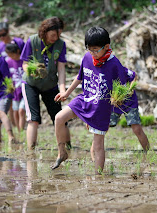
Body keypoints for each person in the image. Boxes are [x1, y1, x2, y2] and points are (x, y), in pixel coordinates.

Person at [52, 26, 138, 174]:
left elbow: (123, 89)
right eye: (89, 49)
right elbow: (80, 77)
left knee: (98, 145)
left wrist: (116, 99)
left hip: (101, 109)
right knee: (59, 118)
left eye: (95, 49)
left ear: (106, 47)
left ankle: (98, 175)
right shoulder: (87, 57)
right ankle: (62, 153)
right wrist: (66, 92)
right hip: (85, 99)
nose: (92, 53)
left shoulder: (114, 64)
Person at [20, 17, 70, 150]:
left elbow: (61, 69)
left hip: (50, 85)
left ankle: (68, 147)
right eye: (53, 34)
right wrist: (32, 71)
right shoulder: (32, 41)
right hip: (31, 84)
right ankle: (31, 151)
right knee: (33, 119)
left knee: (59, 117)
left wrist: (63, 89)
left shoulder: (61, 45)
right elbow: (24, 64)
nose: (56, 38)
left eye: (58, 34)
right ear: (45, 31)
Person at [0, 22, 24, 127]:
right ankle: (15, 126)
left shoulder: (18, 42)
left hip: (19, 76)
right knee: (10, 104)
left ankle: (21, 126)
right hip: (7, 79)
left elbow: (25, 58)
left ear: (8, 31)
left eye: (4, 34)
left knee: (20, 104)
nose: (2, 37)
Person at [5, 43, 26, 132]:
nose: (11, 57)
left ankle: (21, 130)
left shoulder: (24, 60)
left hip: (25, 89)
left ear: (17, 51)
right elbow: (7, 76)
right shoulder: (8, 62)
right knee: (15, 111)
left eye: (12, 55)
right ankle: (18, 130)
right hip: (15, 91)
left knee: (21, 110)